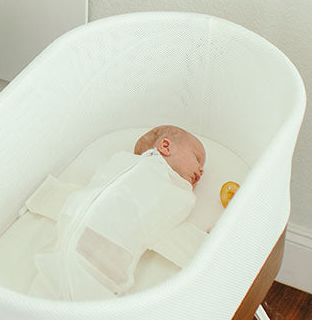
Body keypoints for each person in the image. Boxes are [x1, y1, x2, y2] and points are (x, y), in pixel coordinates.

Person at [29, 125, 206, 300]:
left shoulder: (172, 190)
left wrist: (204, 245)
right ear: (165, 146)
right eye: (197, 159)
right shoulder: (132, 166)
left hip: (106, 259)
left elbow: (159, 229)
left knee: (79, 296)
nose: (201, 170)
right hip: (70, 239)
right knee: (48, 287)